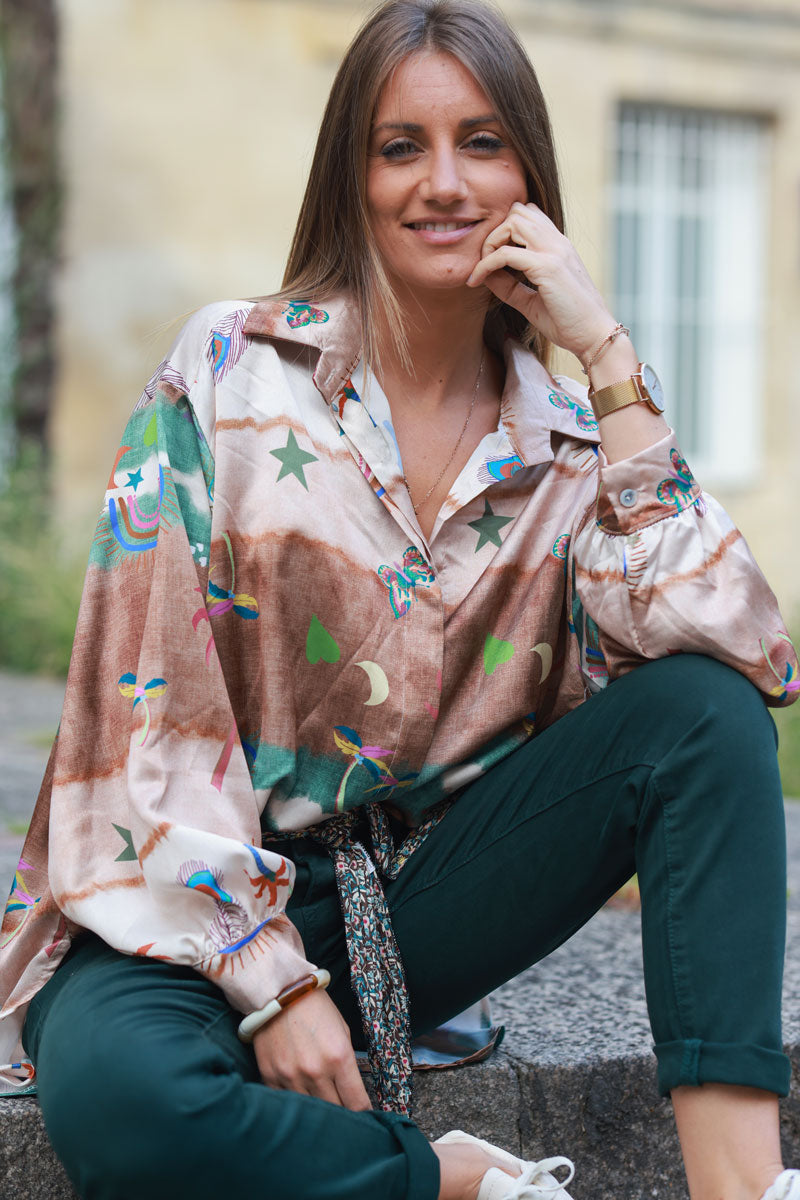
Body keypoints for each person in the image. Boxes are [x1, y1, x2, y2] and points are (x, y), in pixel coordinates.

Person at [1, 1, 798, 1197]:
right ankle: (461, 1180)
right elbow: (139, 713)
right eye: (399, 146)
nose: (443, 184)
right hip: (187, 890)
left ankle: (740, 1186)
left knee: (701, 717)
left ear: (528, 172)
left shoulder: (576, 442)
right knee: (124, 1097)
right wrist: (266, 980)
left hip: (424, 896)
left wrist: (610, 363)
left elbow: (744, 665)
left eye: (481, 143)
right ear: (351, 177)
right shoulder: (228, 372)